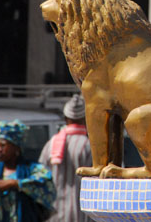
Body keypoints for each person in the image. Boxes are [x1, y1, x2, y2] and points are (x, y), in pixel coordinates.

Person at [0, 120, 56, 222]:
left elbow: (47, 187)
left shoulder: (32, 169)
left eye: (3, 145)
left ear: (16, 147)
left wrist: (15, 183)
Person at [39, 94, 92, 222]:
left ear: (66, 118)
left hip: (54, 212)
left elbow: (40, 175)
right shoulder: (89, 145)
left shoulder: (51, 143)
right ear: (85, 118)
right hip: (81, 214)